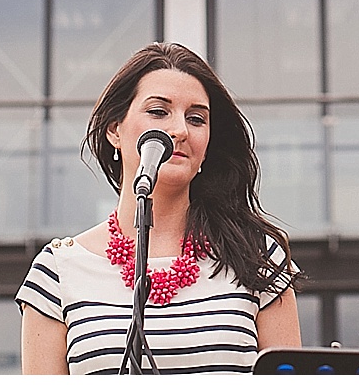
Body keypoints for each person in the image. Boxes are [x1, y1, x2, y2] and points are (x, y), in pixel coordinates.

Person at [17, 42, 302, 373]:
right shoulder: (58, 271)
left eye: (196, 119)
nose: (179, 130)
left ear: (207, 147)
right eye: (158, 112)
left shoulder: (259, 258)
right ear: (114, 130)